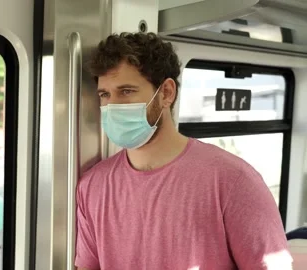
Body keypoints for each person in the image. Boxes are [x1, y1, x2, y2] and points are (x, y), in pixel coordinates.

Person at [75, 32, 293, 270]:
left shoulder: (233, 181)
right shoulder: (92, 186)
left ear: (166, 93)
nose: (112, 106)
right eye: (105, 95)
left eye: (127, 91)